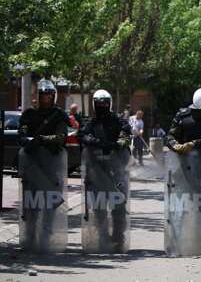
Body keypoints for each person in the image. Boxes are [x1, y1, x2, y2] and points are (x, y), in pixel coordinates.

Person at [18, 79, 70, 250]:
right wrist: (29, 141)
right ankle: (30, 237)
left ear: (53, 97)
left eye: (49, 96)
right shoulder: (29, 114)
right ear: (38, 96)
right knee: (31, 204)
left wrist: (42, 139)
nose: (46, 99)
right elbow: (22, 135)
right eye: (43, 96)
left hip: (51, 166)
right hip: (32, 166)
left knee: (49, 205)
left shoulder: (59, 115)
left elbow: (61, 137)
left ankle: (46, 237)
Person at [79, 89, 131, 251]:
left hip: (116, 171)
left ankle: (118, 239)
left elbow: (126, 136)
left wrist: (115, 145)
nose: (102, 106)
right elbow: (82, 135)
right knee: (99, 208)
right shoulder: (91, 123)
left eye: (104, 103)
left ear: (110, 104)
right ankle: (102, 238)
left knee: (119, 208)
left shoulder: (118, 121)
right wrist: (93, 141)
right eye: (99, 103)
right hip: (96, 172)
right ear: (94, 104)